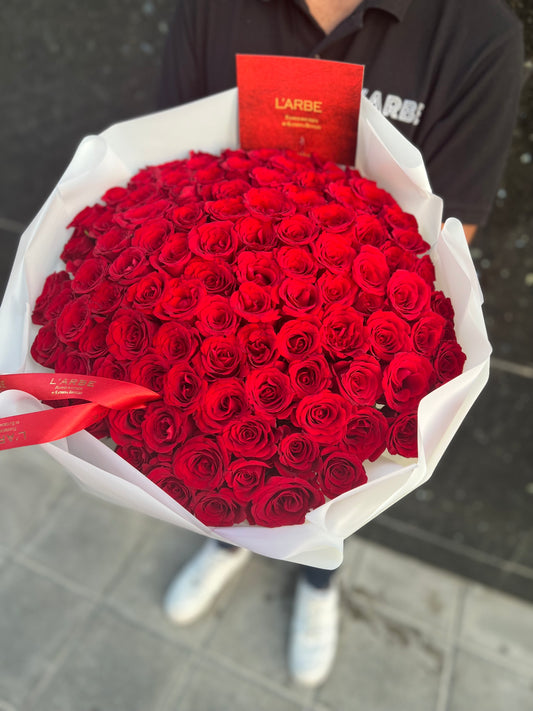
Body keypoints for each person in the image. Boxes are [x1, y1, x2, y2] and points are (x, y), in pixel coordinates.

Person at [156, 0, 524, 687]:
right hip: (219, 306)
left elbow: (449, 233)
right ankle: (227, 536)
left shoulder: (477, 34)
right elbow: (169, 158)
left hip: (363, 339)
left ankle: (318, 576)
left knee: (330, 473)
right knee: (223, 454)